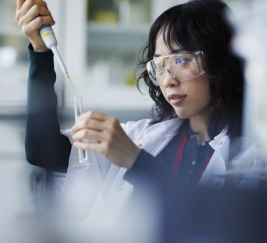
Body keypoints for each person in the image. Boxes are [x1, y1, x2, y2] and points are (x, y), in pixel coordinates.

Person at [16, 0, 245, 218]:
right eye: (159, 64)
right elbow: (42, 151)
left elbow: (207, 219)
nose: (167, 80)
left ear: (222, 60)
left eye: (181, 60)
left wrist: (135, 160)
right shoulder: (139, 137)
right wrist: (40, 51)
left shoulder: (253, 156)